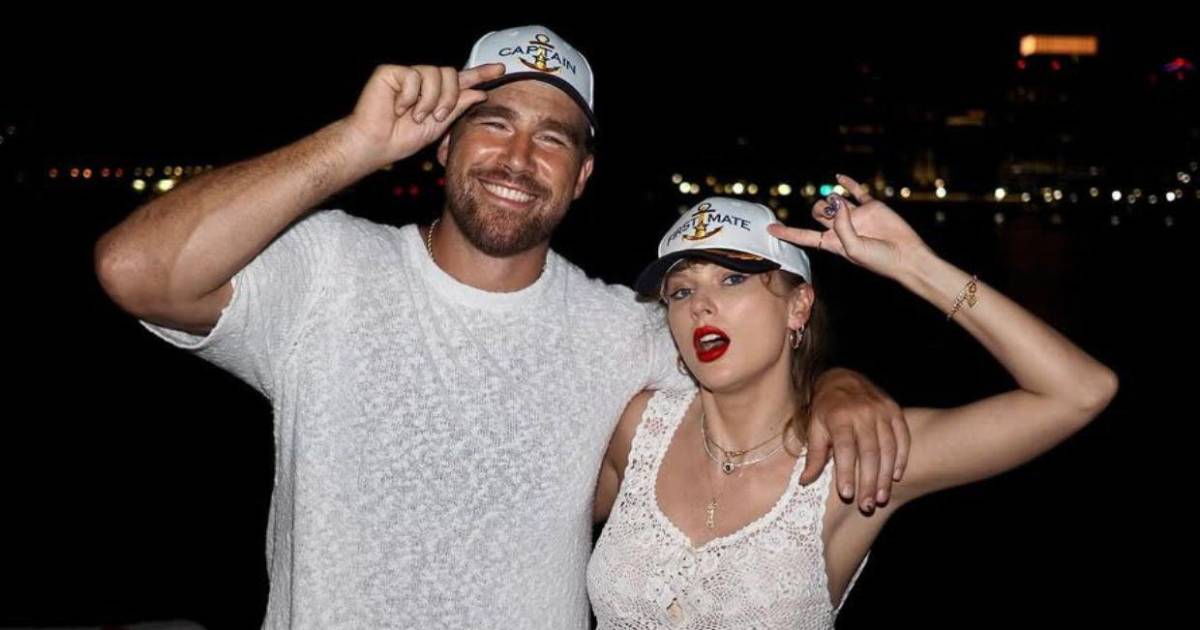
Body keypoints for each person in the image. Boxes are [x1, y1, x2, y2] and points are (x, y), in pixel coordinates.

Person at [94, 27, 907, 628]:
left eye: (552, 139)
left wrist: (838, 386)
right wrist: (356, 142)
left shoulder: (622, 329)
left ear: (582, 176)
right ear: (443, 142)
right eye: (494, 123)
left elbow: (757, 380)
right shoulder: (329, 269)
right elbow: (136, 271)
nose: (519, 158)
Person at [588, 183, 1118, 628]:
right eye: (681, 291)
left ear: (798, 306)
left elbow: (1079, 392)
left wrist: (916, 266)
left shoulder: (858, 458)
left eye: (733, 279)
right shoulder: (637, 428)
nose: (701, 304)